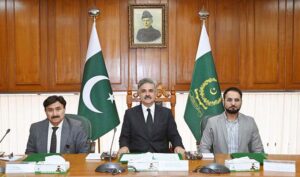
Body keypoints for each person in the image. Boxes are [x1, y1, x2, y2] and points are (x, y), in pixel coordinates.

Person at [118, 78, 185, 156]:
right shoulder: (130, 114)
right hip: (137, 158)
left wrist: (178, 146)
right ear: (139, 94)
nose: (147, 94)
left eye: (151, 91)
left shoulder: (166, 113)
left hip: (161, 157)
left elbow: (174, 135)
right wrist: (124, 147)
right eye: (143, 91)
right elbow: (124, 137)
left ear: (155, 93)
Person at [199, 87, 264, 154]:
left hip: (243, 164)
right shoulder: (212, 122)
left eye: (237, 100)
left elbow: (258, 149)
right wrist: (213, 162)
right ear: (223, 101)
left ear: (241, 101)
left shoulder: (250, 122)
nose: (233, 103)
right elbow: (203, 147)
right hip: (220, 163)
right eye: (229, 100)